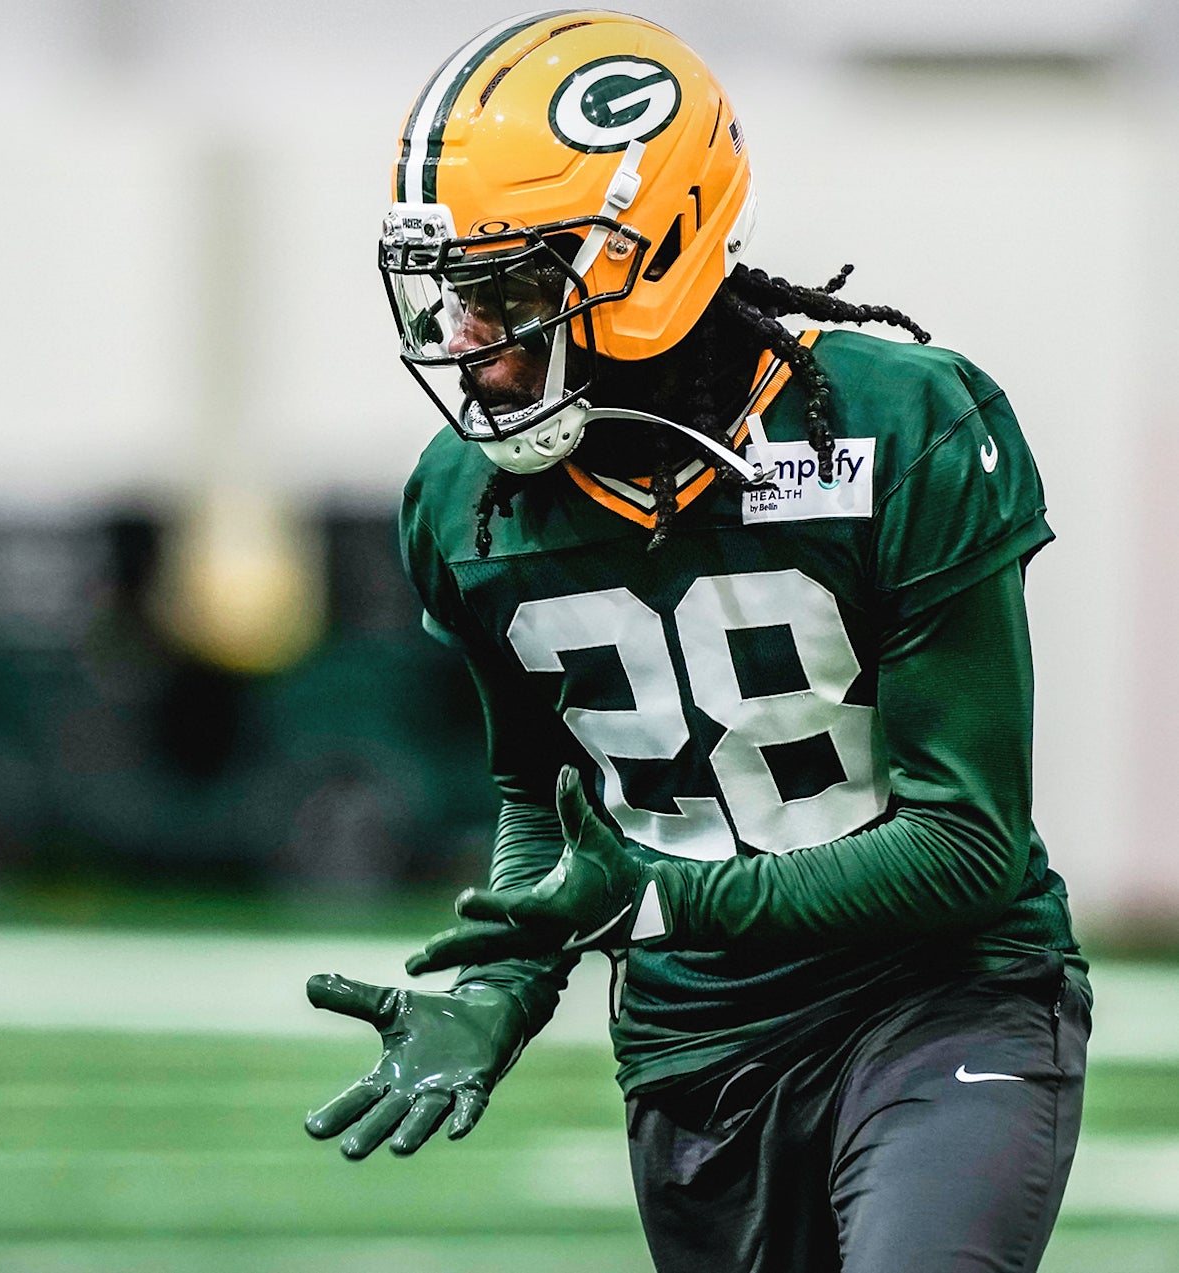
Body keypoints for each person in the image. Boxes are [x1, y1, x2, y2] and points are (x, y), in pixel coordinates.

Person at [301, 12, 1090, 1273]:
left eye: (504, 290)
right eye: (454, 295)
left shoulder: (901, 423)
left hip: (935, 996)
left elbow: (968, 844)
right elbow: (542, 795)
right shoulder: (463, 503)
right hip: (696, 1041)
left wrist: (669, 898)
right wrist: (506, 978)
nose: (464, 340)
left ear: (648, 255)